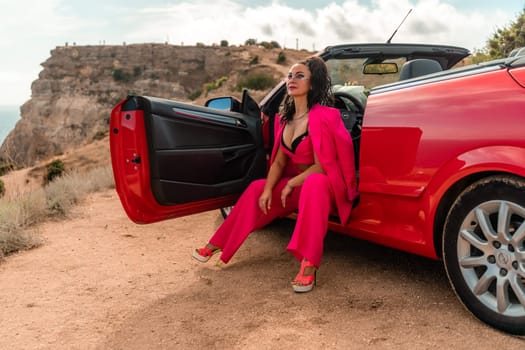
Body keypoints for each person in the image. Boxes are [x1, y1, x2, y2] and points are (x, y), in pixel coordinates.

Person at [193, 56, 358, 293]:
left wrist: (291, 184)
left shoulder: (326, 116)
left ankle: (309, 264)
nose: (292, 80)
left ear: (313, 83)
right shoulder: (286, 119)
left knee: (314, 182)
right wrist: (269, 190)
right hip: (299, 184)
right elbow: (279, 161)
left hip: (324, 186)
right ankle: (218, 243)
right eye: (290, 75)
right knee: (256, 188)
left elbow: (323, 166)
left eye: (300, 76)